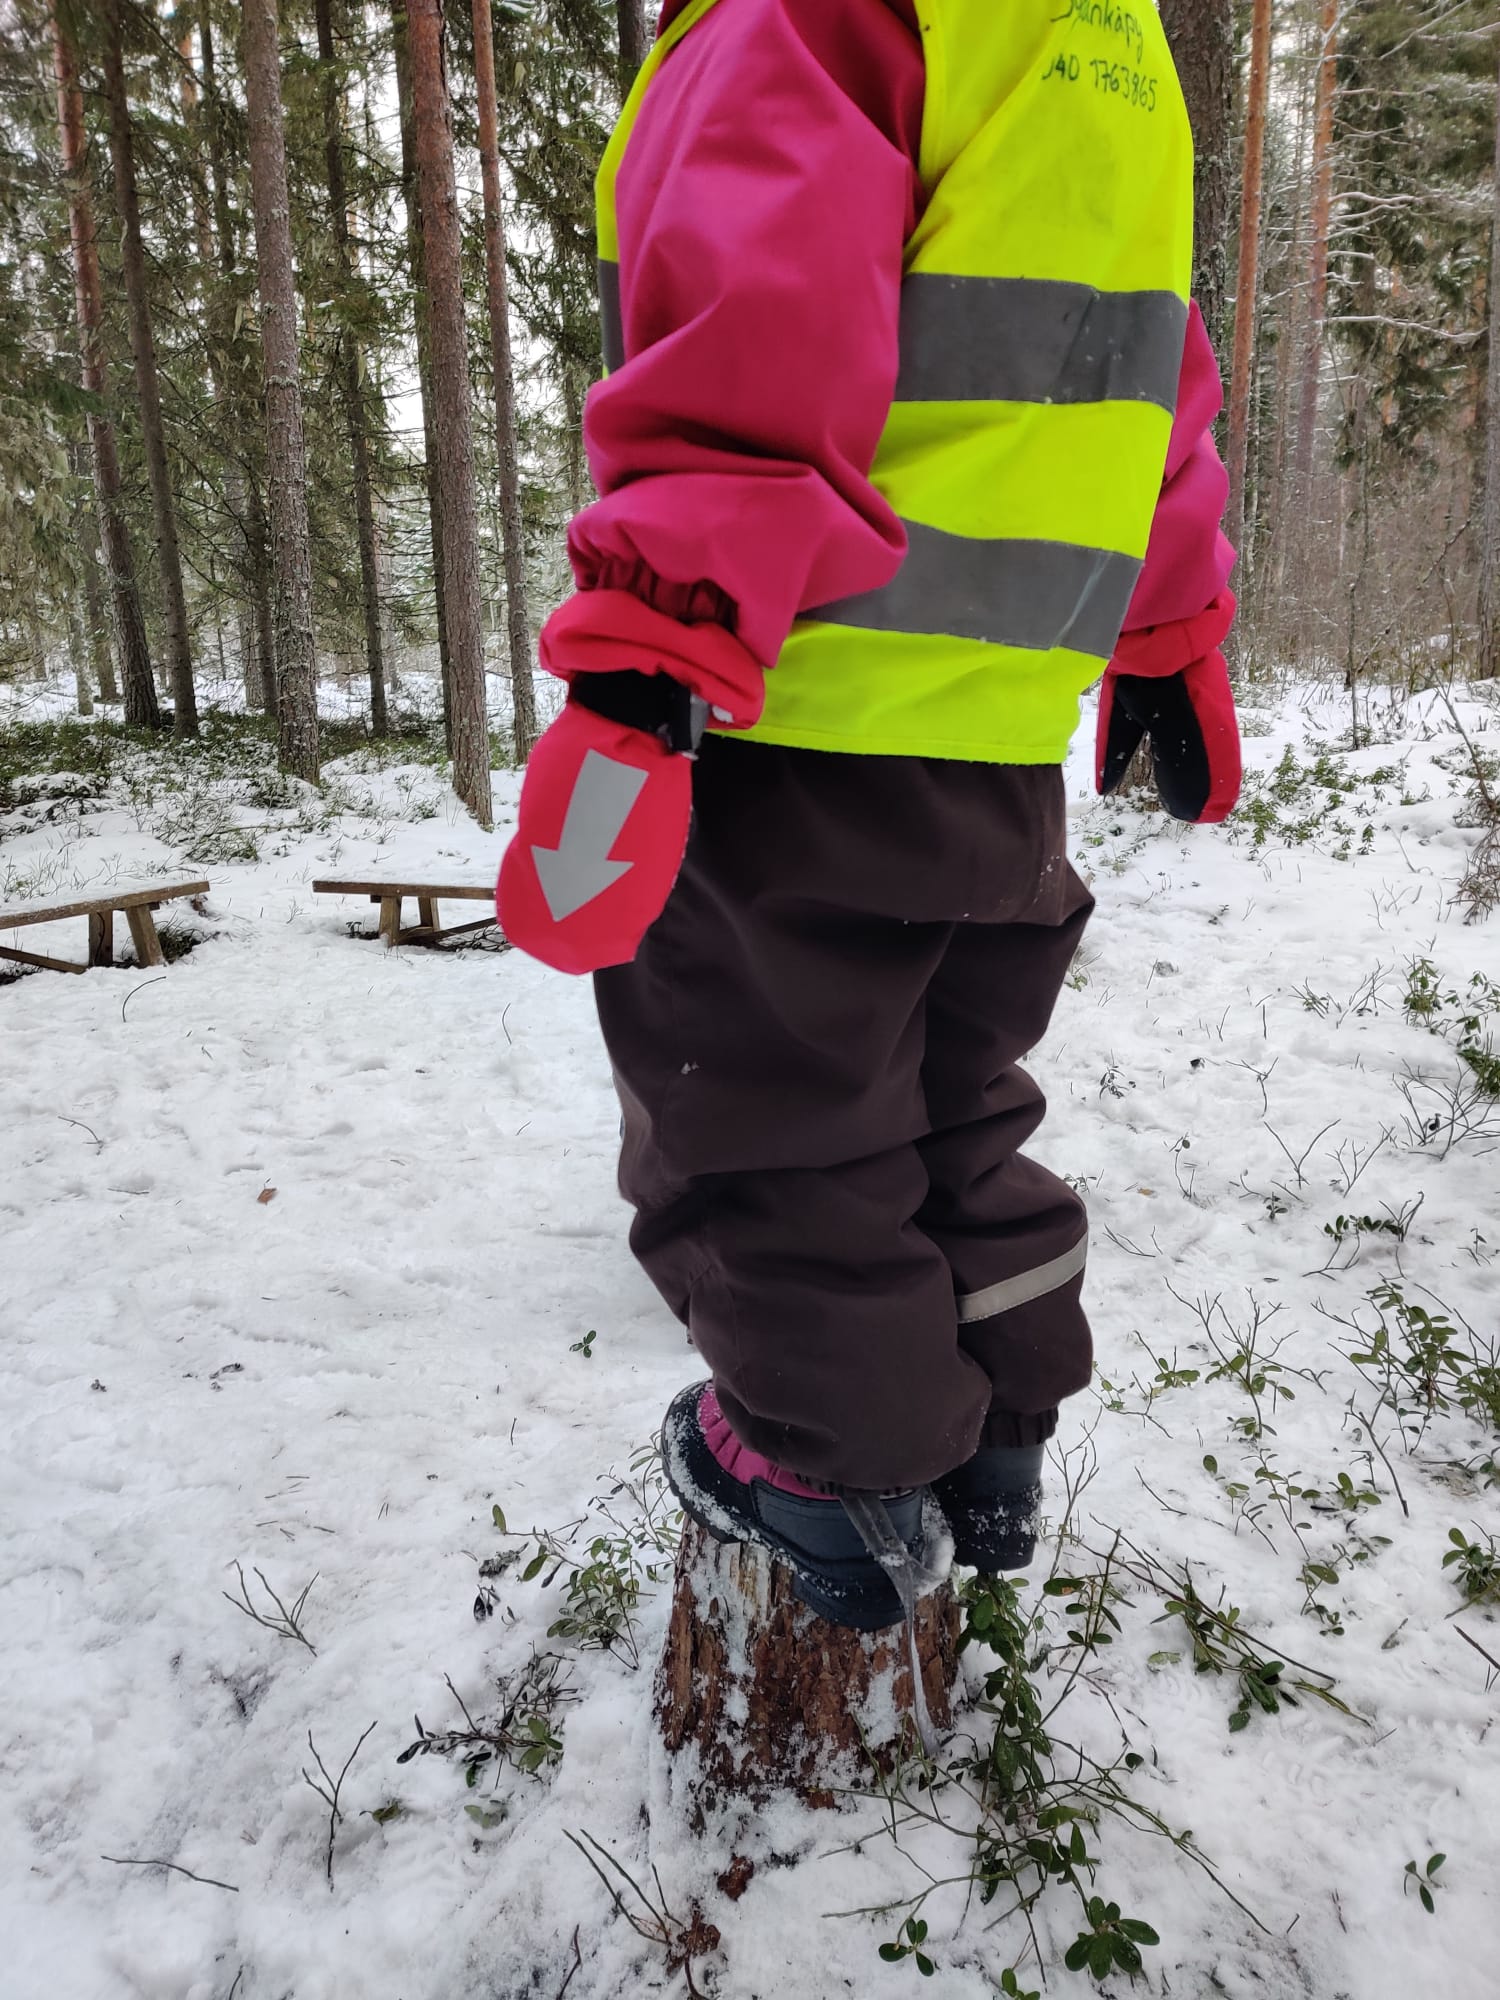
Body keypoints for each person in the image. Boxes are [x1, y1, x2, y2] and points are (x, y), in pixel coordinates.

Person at [497, 0, 1240, 1632]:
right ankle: (996, 1437)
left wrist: (646, 659)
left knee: (764, 1108)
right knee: (954, 1101)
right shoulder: (1103, 38)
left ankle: (831, 1477)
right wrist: (1170, 626)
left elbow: (756, 327)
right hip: (1000, 736)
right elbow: (1148, 369)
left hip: (800, 707)